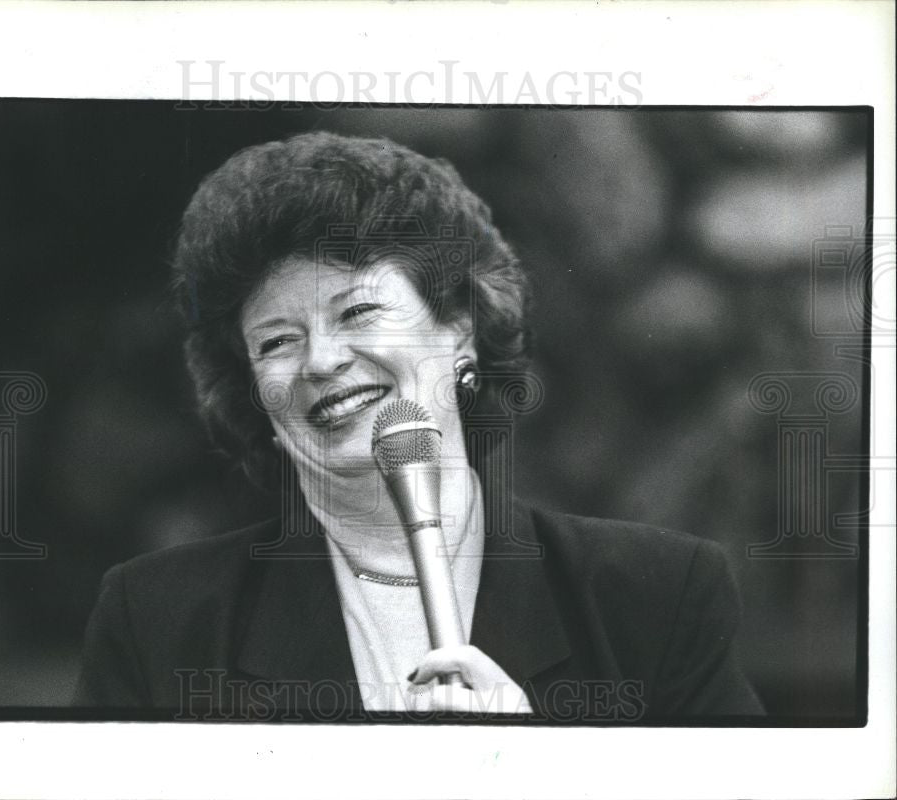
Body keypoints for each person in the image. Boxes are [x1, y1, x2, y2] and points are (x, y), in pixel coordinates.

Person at [73, 131, 764, 721]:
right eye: (277, 341)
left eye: (357, 313)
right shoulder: (157, 621)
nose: (321, 360)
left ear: (460, 330)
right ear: (255, 397)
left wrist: (540, 772)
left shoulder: (655, 596)